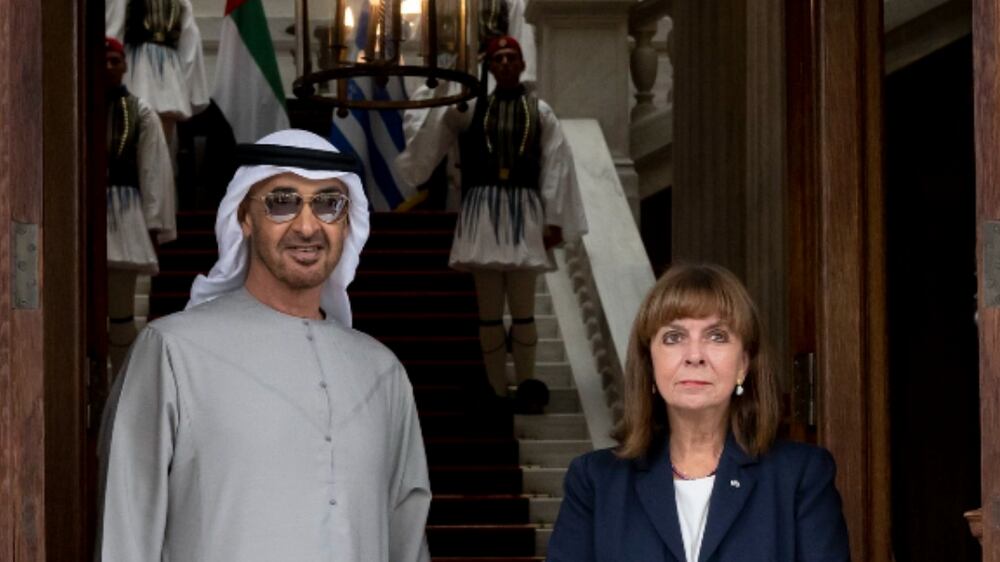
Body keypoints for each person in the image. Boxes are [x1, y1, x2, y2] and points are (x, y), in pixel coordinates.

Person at [96, 129, 432, 562]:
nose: (307, 226)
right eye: (282, 201)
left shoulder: (381, 370)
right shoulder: (172, 352)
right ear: (245, 217)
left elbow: (407, 538)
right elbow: (125, 531)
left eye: (328, 203)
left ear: (348, 221)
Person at [547, 264, 850, 562]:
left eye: (717, 336)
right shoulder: (595, 481)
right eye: (674, 337)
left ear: (743, 364)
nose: (694, 356)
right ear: (650, 364)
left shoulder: (801, 476)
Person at [395, 35, 587, 412]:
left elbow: (555, 167)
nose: (504, 64)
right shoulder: (469, 108)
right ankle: (497, 389)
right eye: (497, 59)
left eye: (511, 57)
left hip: (524, 211)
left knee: (523, 307)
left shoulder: (540, 111)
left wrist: (552, 220)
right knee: (488, 310)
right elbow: (435, 120)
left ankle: (528, 383)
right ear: (489, 66)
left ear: (521, 64)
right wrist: (452, 78)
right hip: (482, 210)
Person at [104, 36, 177, 378]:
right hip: (83, 219)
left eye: (114, 61)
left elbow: (153, 171)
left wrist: (154, 224)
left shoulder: (140, 111)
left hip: (124, 216)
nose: (108, 67)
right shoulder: (73, 107)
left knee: (121, 318)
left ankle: (120, 387)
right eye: (102, 60)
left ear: (124, 65)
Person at [106, 0, 209, 140]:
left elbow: (190, 41)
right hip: (141, 70)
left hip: (163, 71)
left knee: (157, 138)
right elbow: (113, 37)